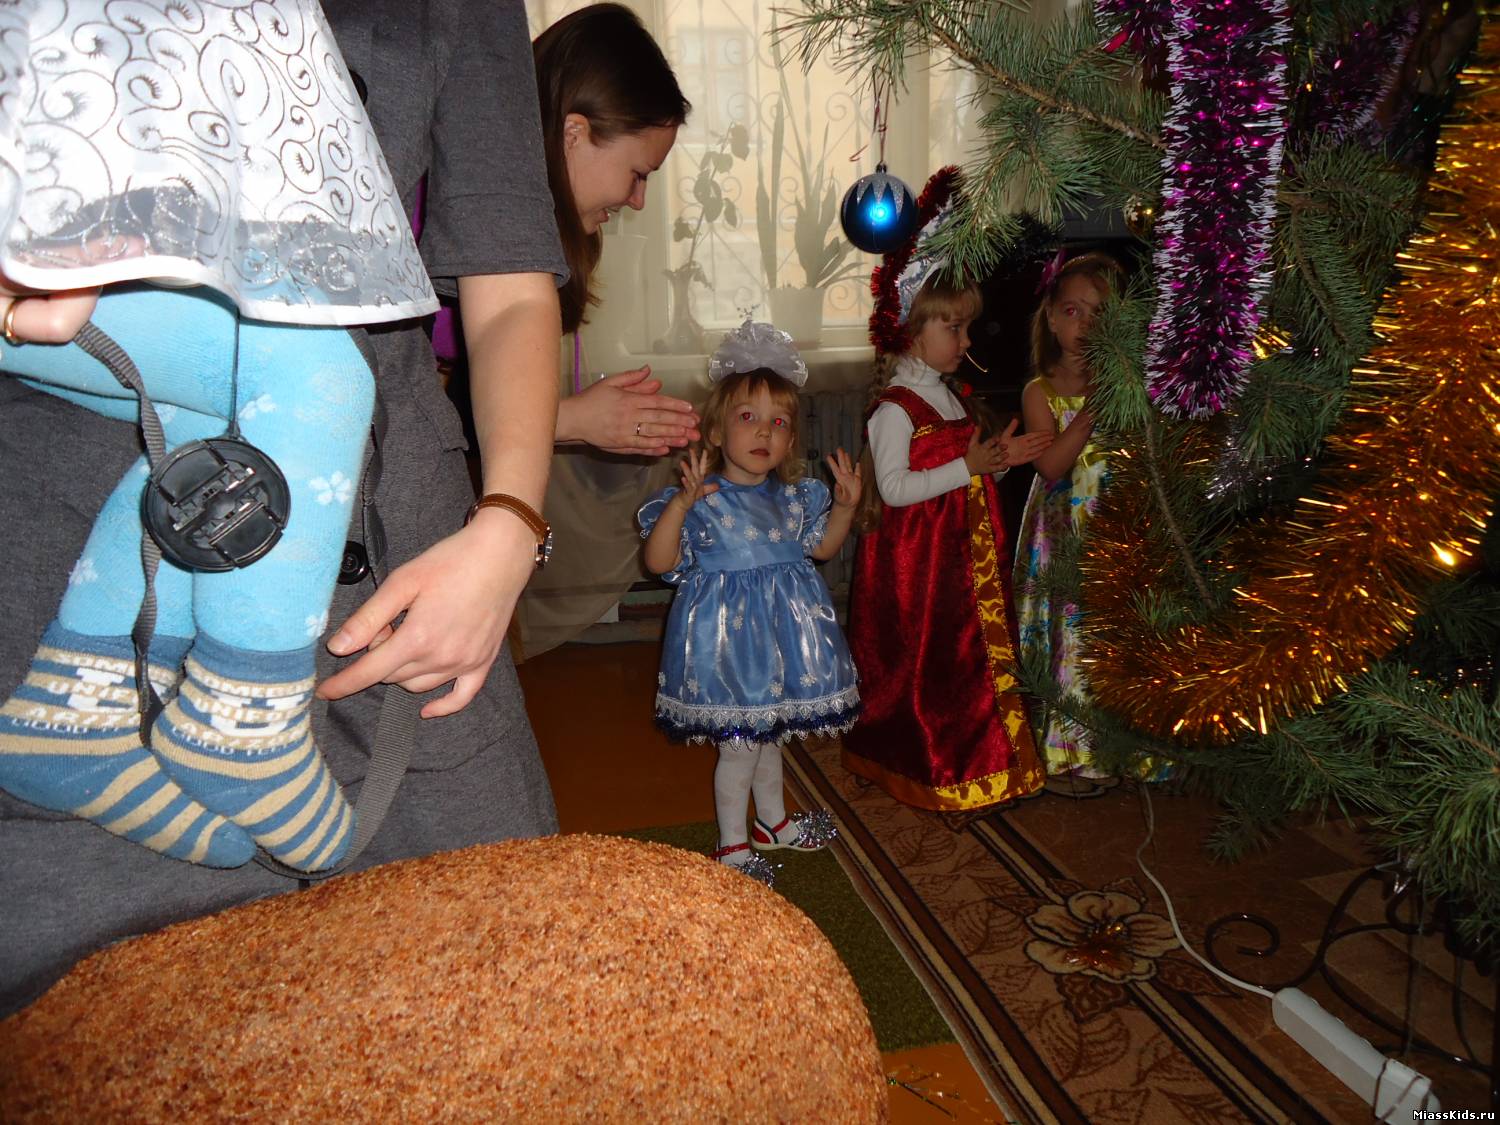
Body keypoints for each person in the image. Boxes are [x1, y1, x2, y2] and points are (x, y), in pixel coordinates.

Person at [0, 0, 565, 1015]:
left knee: (502, 990)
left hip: (406, 570)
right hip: (70, 537)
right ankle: (195, 712)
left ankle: (183, 711)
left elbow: (513, 286)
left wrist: (509, 529)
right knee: (126, 1036)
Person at [842, 168, 1051, 814]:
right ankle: (925, 765)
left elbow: (966, 466)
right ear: (913, 330)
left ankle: (980, 763)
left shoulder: (949, 394)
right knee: (924, 669)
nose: (966, 341)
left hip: (959, 565)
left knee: (966, 666)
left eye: (965, 329)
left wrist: (1000, 461)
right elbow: (896, 489)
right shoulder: (895, 407)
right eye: (954, 330)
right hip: (920, 574)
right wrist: (970, 466)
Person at [638, 321, 860, 887]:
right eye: (747, 417)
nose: (764, 431)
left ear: (790, 440)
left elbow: (822, 551)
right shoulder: (703, 500)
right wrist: (680, 506)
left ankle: (773, 823)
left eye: (778, 422)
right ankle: (732, 845)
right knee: (740, 749)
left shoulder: (793, 497)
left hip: (782, 646)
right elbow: (659, 562)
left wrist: (843, 508)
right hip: (730, 654)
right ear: (715, 431)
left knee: (770, 738)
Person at [1013, 252, 1125, 776]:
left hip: (1115, 524)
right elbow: (1051, 465)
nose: (1084, 323)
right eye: (1073, 311)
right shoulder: (1039, 391)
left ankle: (1123, 744)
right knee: (1069, 631)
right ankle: (1070, 747)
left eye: (1098, 312)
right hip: (1063, 533)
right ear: (1053, 320)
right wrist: (1090, 411)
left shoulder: (1127, 383)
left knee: (1112, 629)